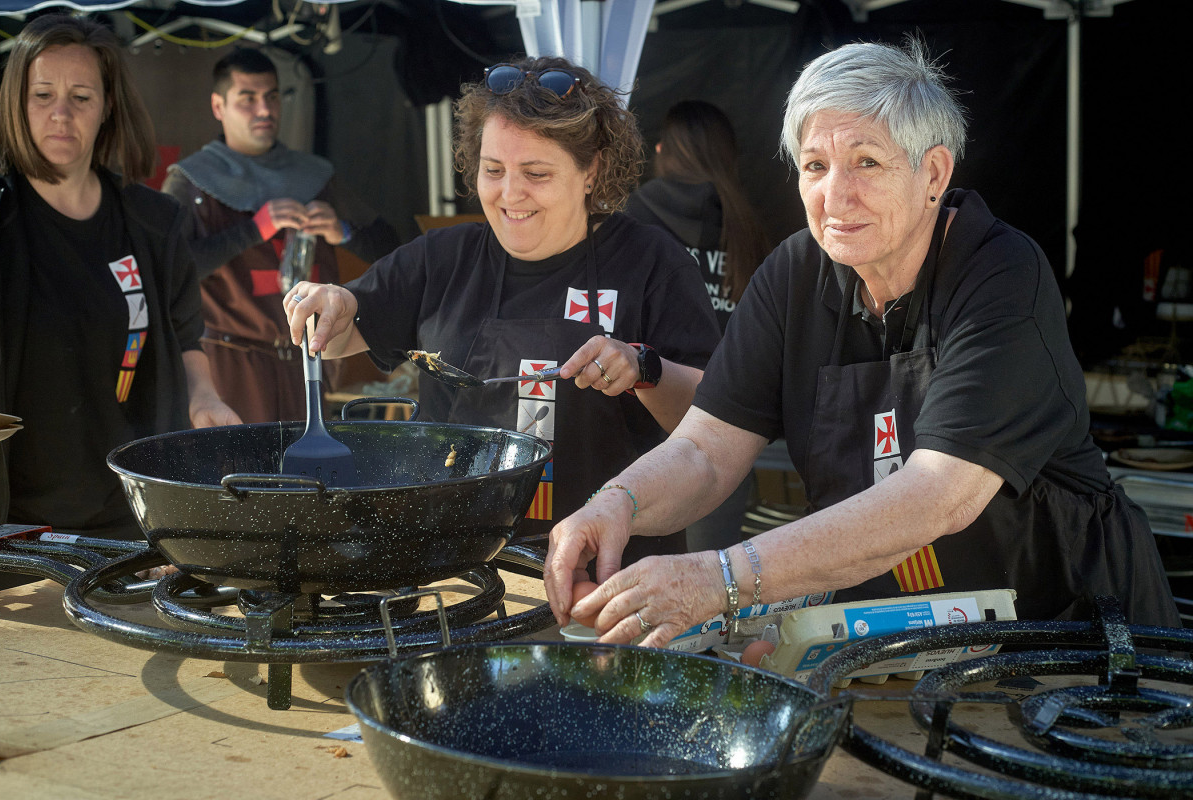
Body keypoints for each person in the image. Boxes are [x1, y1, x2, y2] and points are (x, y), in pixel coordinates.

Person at [544, 39, 1180, 646]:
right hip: (899, 635)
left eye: (867, 163)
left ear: (933, 172)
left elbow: (939, 494)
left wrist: (724, 580)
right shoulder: (793, 275)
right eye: (815, 166)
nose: (834, 195)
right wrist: (614, 504)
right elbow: (708, 449)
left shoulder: (1001, 273)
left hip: (1065, 635)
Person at [284, 56, 720, 559]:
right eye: (494, 170)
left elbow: (714, 417)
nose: (510, 194)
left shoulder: (651, 263)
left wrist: (644, 368)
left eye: (536, 173)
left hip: (612, 569)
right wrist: (332, 302)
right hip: (460, 567)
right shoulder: (443, 258)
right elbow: (336, 335)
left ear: (590, 171)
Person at [0, 13, 239, 589]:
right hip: (16, 536)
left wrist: (205, 400)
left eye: (81, 96)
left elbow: (184, 340)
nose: (61, 112)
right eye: (43, 95)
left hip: (129, 527)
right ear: (15, 104)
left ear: (107, 107)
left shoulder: (153, 224)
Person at [161, 48, 400, 424]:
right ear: (218, 106)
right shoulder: (190, 181)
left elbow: (397, 250)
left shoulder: (315, 176)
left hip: (308, 363)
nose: (264, 110)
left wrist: (344, 232)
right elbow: (168, 270)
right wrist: (252, 230)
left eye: (272, 96)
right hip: (229, 367)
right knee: (240, 477)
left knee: (308, 480)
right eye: (248, 99)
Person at [625, 100, 771, 552]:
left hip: (644, 406)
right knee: (713, 567)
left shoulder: (632, 217)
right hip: (730, 413)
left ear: (664, 151)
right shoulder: (747, 221)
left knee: (630, 560)